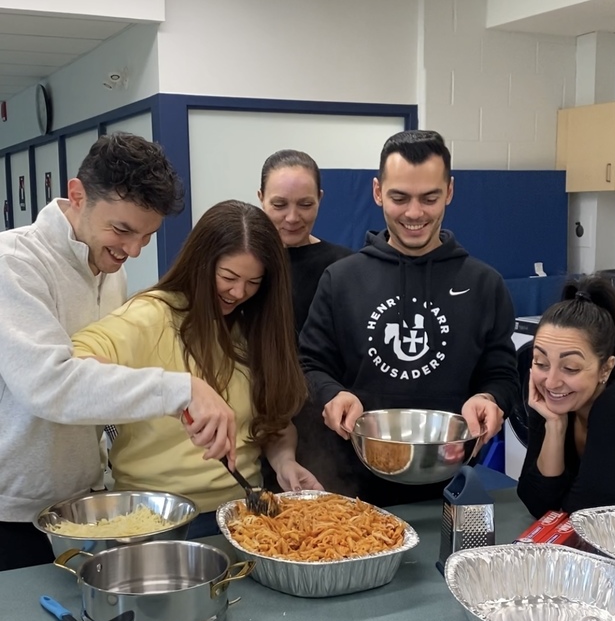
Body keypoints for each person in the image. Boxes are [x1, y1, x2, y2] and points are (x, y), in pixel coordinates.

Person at [0, 133, 236, 570]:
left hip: (81, 501)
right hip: (11, 510)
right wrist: (181, 390)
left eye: (146, 237)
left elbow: (96, 386)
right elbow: (49, 385)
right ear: (77, 195)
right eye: (122, 230)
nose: (131, 250)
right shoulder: (13, 264)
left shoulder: (111, 275)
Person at [72, 200, 323, 537]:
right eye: (228, 277)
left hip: (244, 517)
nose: (238, 293)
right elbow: (74, 366)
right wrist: (175, 389)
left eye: (253, 283)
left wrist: (284, 462)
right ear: (201, 265)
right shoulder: (151, 316)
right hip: (156, 521)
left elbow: (273, 426)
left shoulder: (252, 326)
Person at [299, 129, 519, 506]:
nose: (414, 213)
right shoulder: (342, 279)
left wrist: (490, 397)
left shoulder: (484, 283)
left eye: (429, 198)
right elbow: (311, 363)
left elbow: (502, 372)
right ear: (377, 192)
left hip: (454, 484)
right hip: (355, 483)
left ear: (449, 192)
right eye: (400, 197)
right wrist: (332, 395)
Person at [517, 277, 615, 518]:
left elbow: (583, 514)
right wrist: (554, 426)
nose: (551, 382)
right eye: (541, 362)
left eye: (570, 368)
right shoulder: (550, 400)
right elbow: (536, 501)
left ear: (605, 369)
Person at [258, 149, 352, 336]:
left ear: (320, 199)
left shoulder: (344, 267)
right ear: (261, 198)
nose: (292, 218)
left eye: (305, 205)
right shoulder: (247, 261)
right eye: (279, 205)